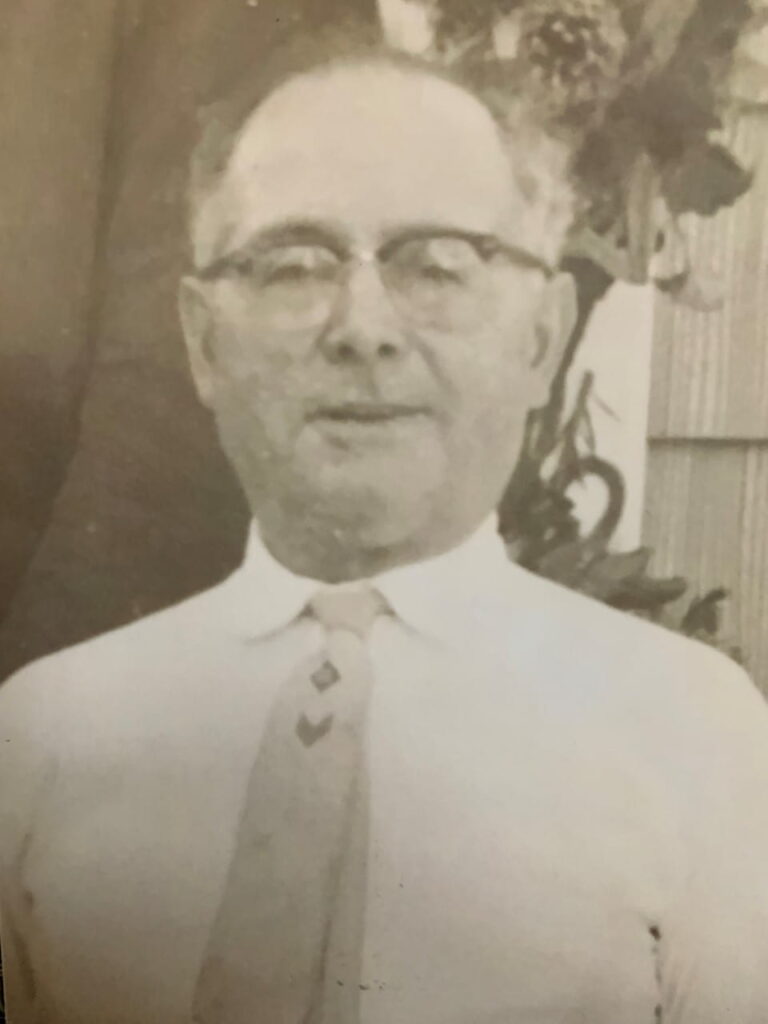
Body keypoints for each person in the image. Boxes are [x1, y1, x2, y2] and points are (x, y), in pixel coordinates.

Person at [2, 27, 768, 1024]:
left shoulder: (694, 733)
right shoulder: (43, 738)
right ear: (202, 341)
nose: (362, 328)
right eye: (293, 266)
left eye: (437, 266)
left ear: (541, 339)